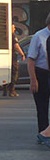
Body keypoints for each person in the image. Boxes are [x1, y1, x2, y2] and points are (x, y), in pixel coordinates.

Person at [27, 12, 50, 146]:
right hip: (41, 74)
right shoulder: (39, 36)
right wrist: (33, 80)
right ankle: (43, 133)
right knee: (42, 106)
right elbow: (31, 60)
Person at [5, 24, 26, 97]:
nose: (14, 29)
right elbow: (16, 46)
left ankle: (5, 90)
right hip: (13, 57)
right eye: (13, 27)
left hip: (7, 57)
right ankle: (12, 90)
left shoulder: (6, 36)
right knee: (14, 73)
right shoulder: (13, 36)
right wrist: (22, 54)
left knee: (8, 73)